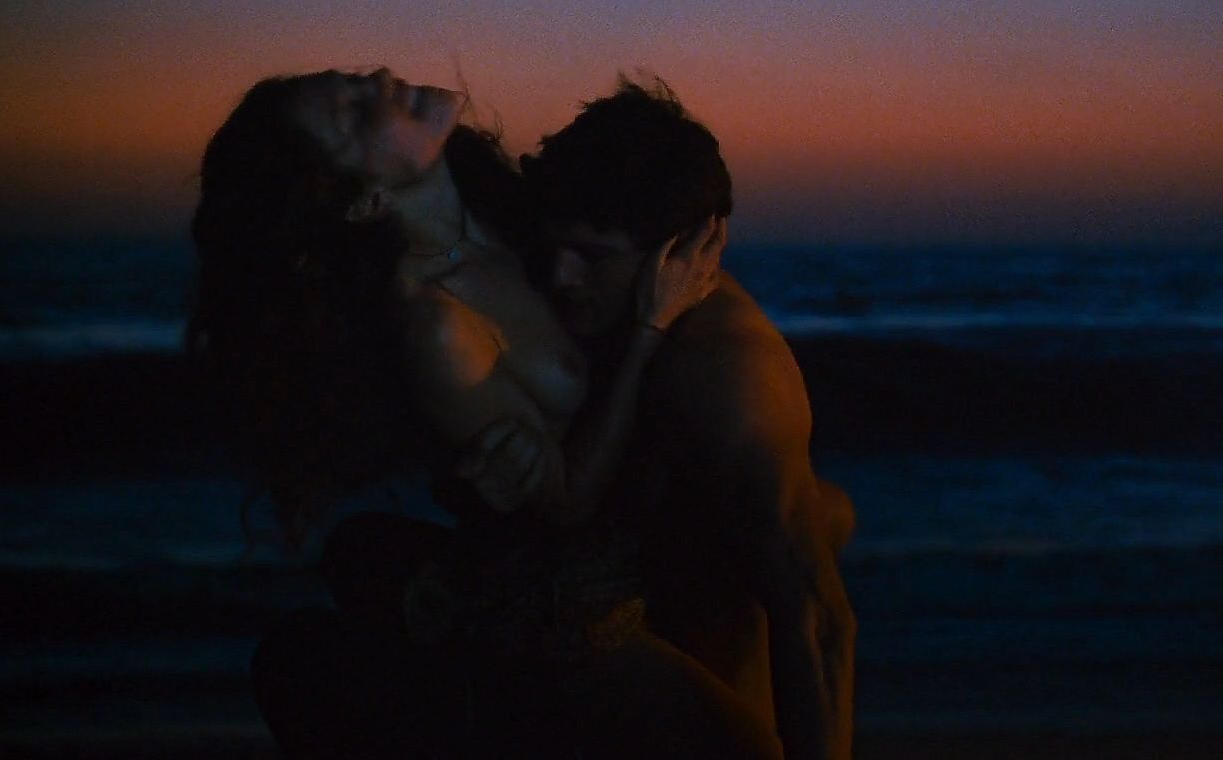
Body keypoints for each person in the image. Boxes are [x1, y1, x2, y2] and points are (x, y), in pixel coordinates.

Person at [187, 67, 780, 758]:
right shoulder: (438, 324)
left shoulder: (506, 217)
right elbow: (567, 501)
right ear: (365, 199)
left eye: (352, 80)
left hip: (648, 545)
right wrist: (651, 331)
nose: (381, 78)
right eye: (353, 114)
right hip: (565, 603)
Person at [520, 77, 858, 760]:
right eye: (553, 247)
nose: (560, 277)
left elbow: (817, 616)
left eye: (592, 256)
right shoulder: (599, 312)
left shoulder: (723, 368)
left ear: (678, 254)